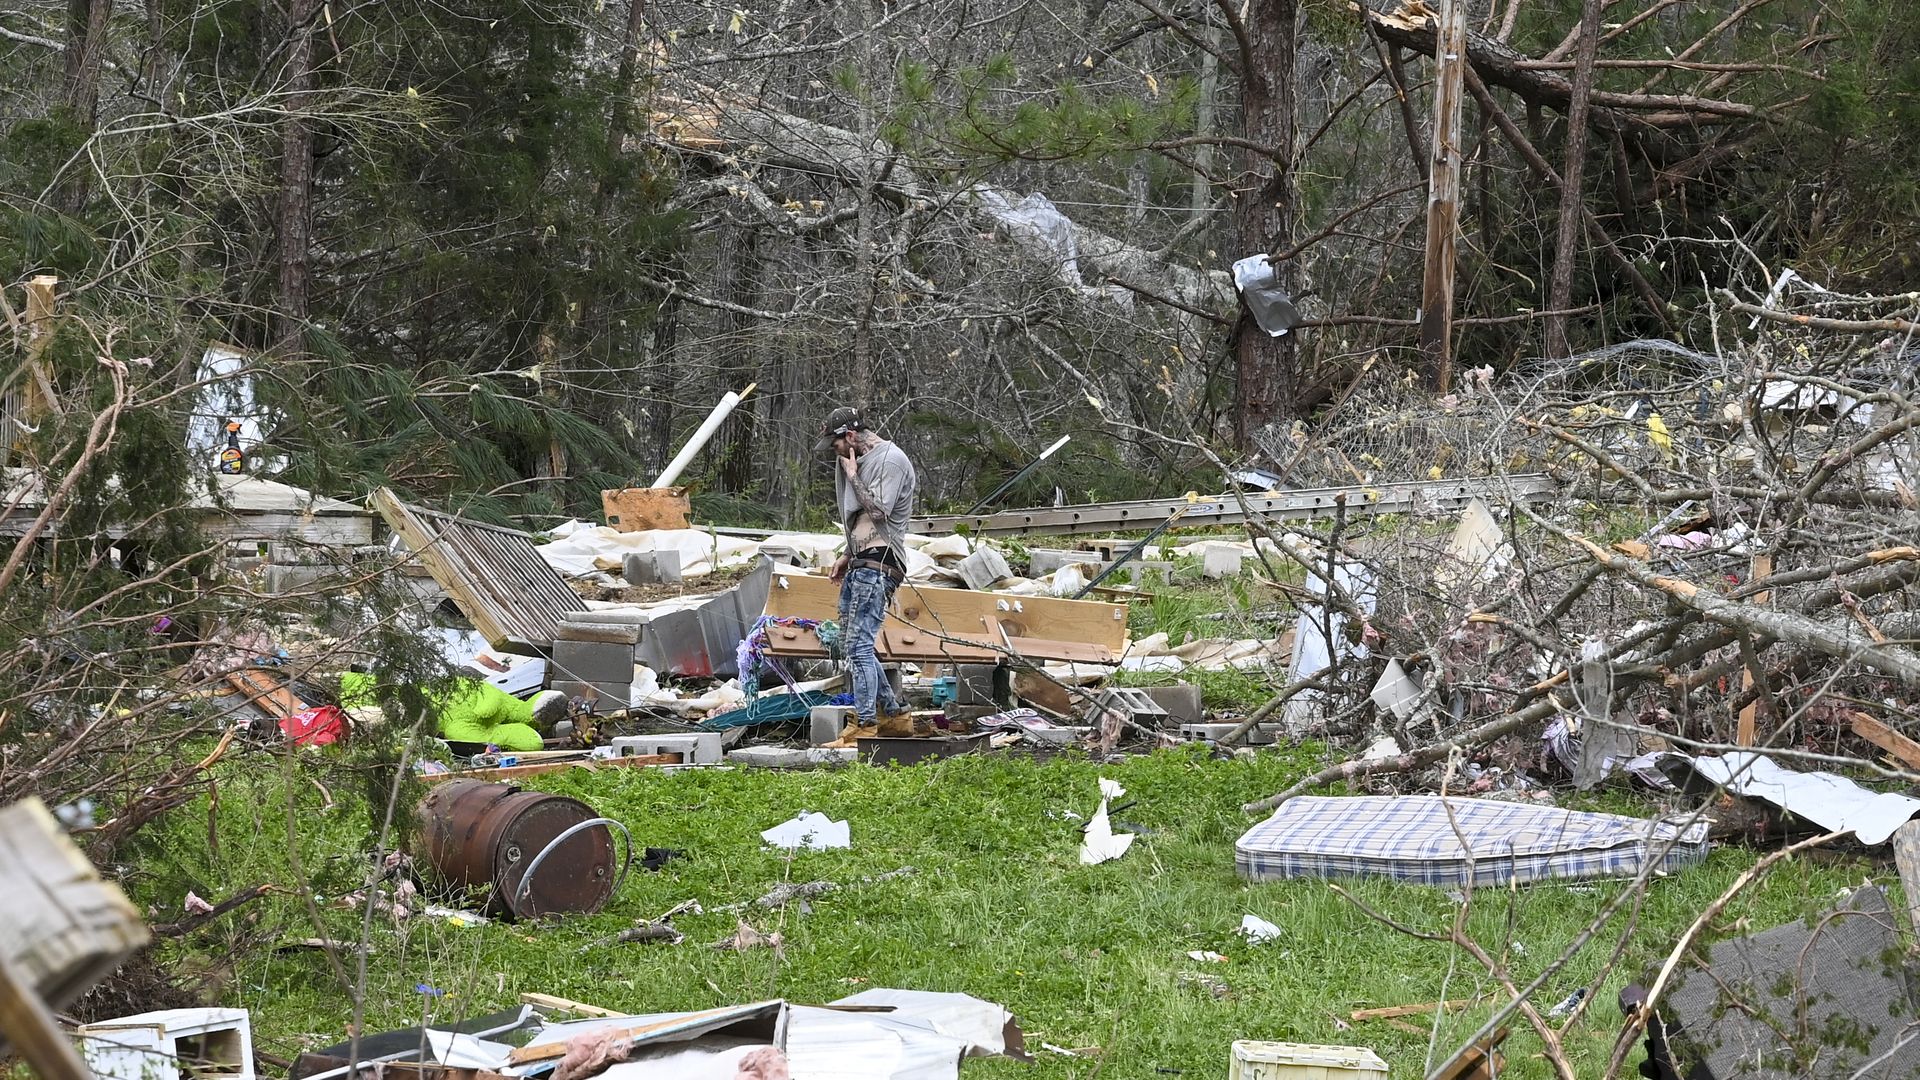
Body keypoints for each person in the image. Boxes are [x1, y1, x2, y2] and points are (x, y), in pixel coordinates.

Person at [817, 406, 919, 742]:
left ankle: (864, 724)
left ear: (849, 436)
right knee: (852, 643)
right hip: (863, 561)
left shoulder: (890, 460)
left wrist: (852, 474)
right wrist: (848, 554)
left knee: (859, 646)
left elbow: (878, 511)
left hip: (880, 565)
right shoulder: (859, 458)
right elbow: (865, 524)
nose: (834, 453)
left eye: (835, 445)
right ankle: (894, 715)